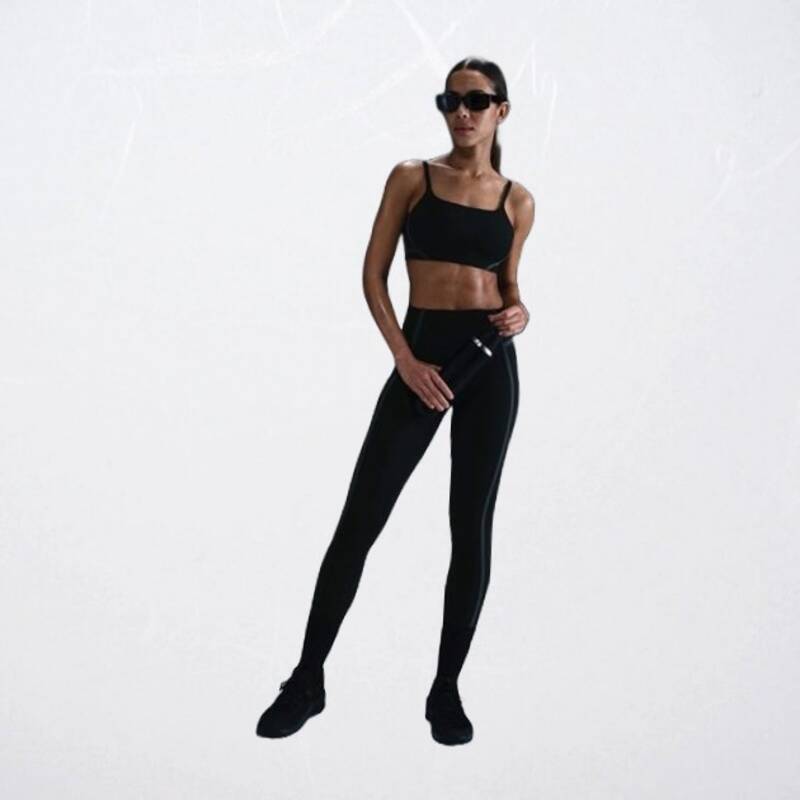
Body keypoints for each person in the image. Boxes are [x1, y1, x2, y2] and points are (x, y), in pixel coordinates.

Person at [256, 56, 536, 746]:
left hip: (489, 364)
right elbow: (374, 275)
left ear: (501, 110)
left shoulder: (517, 200)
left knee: (471, 527)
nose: (462, 112)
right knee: (360, 518)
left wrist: (520, 309)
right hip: (423, 354)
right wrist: (405, 359)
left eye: (477, 100)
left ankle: (446, 689)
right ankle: (307, 680)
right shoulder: (413, 177)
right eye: (451, 100)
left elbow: (509, 286)